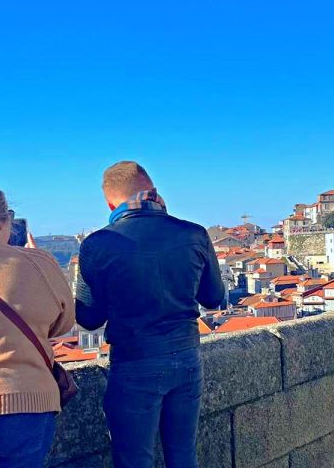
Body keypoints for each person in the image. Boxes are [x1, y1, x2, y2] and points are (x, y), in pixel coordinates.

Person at [75, 162, 225, 468]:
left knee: (134, 461)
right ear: (154, 192)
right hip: (186, 357)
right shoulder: (194, 234)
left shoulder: (97, 245)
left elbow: (88, 319)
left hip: (134, 361)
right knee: (183, 456)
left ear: (110, 204)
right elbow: (212, 298)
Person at [0, 182, 75, 467]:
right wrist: (38, 260)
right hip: (23, 406)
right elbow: (64, 324)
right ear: (3, 221)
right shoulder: (37, 263)